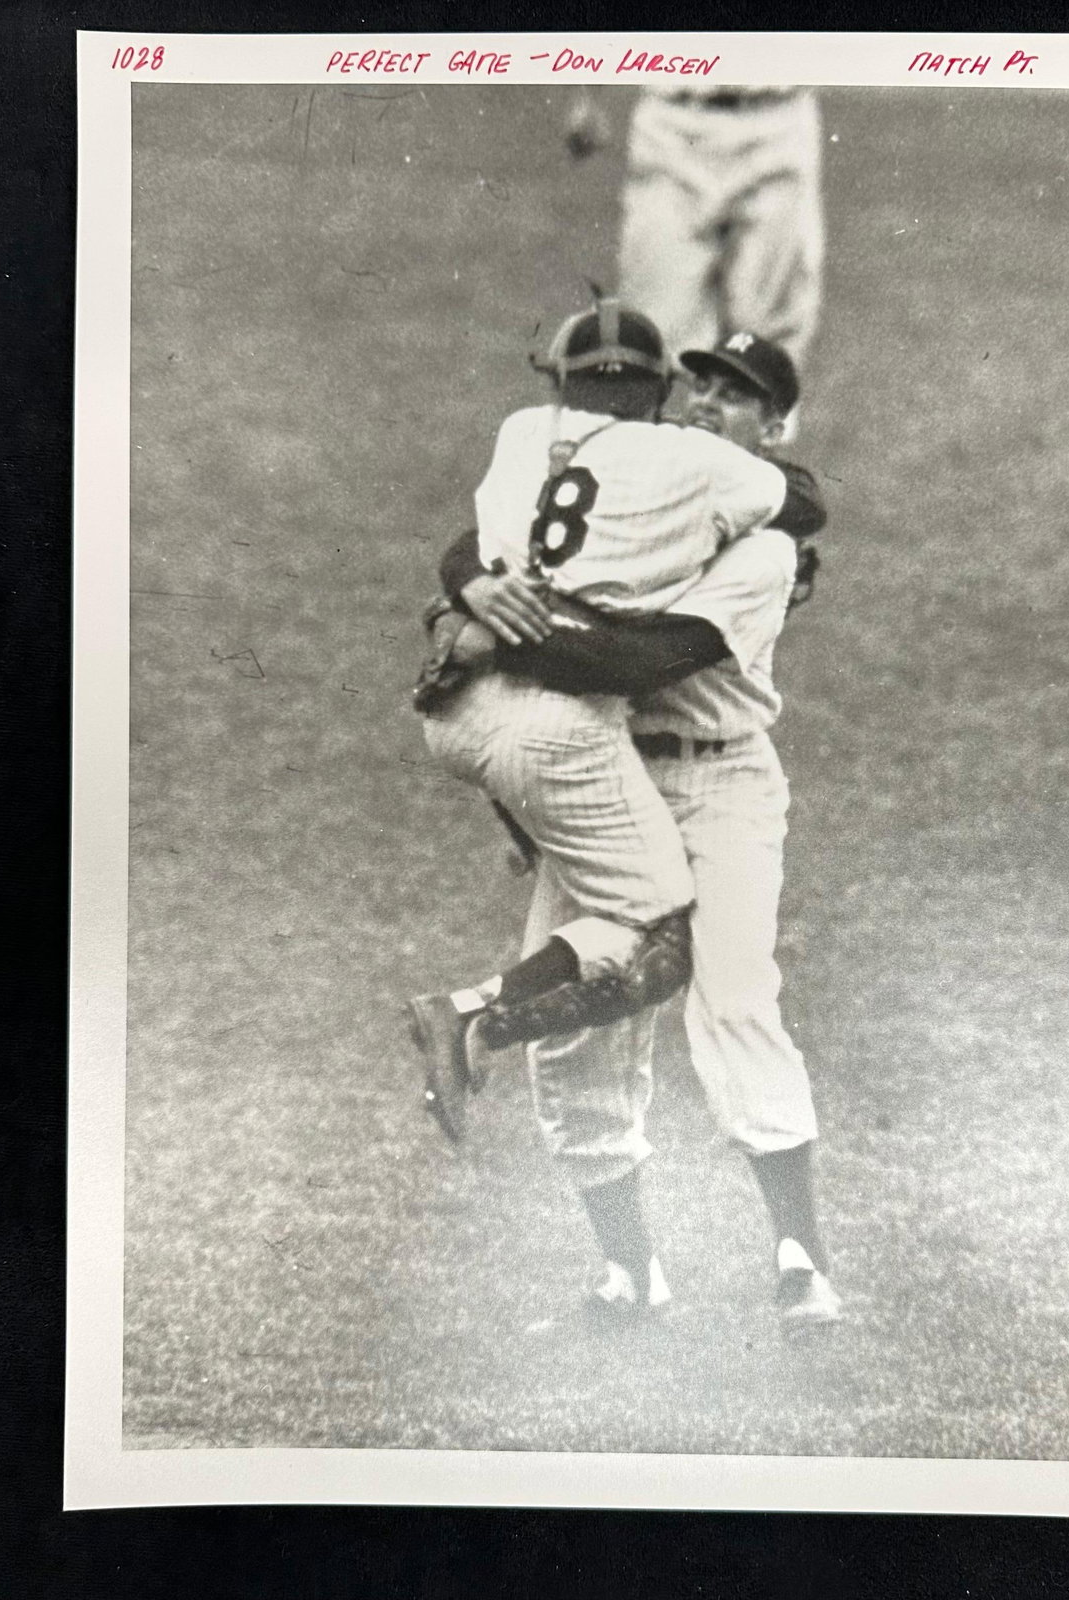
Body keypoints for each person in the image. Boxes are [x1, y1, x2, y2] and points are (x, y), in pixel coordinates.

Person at [439, 333, 841, 1327]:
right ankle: (629, 1276)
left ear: (775, 429)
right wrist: (475, 585)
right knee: (575, 1037)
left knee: (734, 998)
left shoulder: (764, 544)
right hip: (602, 776)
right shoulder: (631, 488)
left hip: (719, 783)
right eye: (699, 381)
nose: (707, 401)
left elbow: (646, 660)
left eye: (739, 395)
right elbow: (481, 535)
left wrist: (508, 632)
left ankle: (803, 1262)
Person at [565, 88, 824, 373]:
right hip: (671, 125)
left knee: (770, 344)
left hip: (778, 120)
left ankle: (766, 416)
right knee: (654, 333)